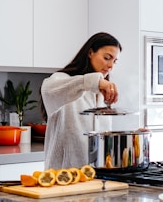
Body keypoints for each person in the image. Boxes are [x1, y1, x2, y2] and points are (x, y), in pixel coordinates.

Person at [40, 32, 122, 170]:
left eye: (114, 61)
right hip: (64, 177)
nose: (110, 66)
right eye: (107, 58)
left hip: (96, 177)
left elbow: (101, 139)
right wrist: (93, 82)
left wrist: (134, 136)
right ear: (90, 52)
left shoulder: (101, 94)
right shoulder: (61, 80)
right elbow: (48, 90)